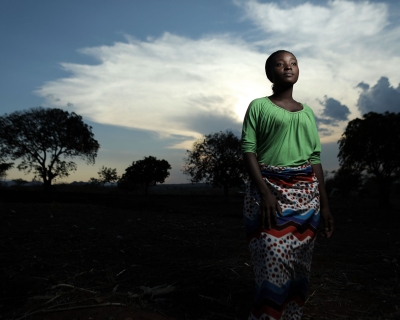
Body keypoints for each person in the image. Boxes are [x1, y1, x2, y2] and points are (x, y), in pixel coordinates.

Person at [241, 50, 334, 320]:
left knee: (299, 270)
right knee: (272, 266)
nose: (288, 67)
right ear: (270, 73)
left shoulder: (308, 113)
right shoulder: (259, 106)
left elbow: (314, 158)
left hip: (307, 199)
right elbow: (248, 150)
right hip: (270, 194)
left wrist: (325, 205)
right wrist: (264, 192)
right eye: (280, 64)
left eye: (293, 63)